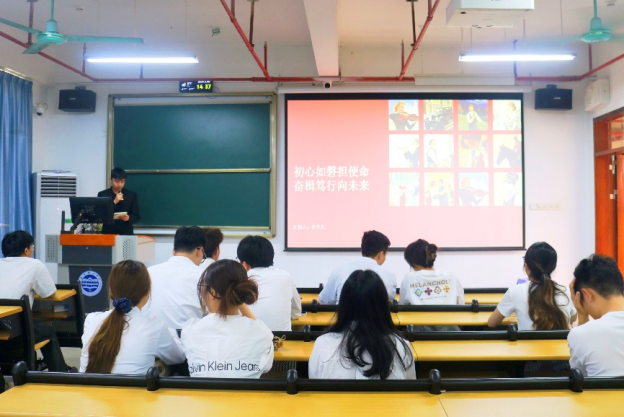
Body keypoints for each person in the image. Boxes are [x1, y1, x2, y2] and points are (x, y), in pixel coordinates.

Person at [80, 260, 185, 374]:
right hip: (137, 387)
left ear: (111, 291)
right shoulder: (155, 326)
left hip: (87, 386)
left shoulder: (91, 320)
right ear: (147, 293)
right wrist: (172, 332)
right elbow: (178, 357)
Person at [309, 270, 415, 379]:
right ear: (383, 306)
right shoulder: (402, 348)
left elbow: (313, 382)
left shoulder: (322, 344)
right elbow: (411, 387)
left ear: (343, 305)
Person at [181, 259, 274, 378]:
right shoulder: (261, 332)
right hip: (246, 391)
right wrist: (239, 301)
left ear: (213, 292)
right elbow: (266, 368)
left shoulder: (190, 329)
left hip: (201, 391)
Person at [0, 231, 74, 372]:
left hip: (2, 330)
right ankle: (60, 373)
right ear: (26, 250)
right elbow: (50, 293)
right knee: (48, 331)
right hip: (18, 335)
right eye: (32, 247)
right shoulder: (34, 264)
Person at [488, 242, 577, 330]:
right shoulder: (565, 291)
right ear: (553, 267)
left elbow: (492, 323)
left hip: (527, 340)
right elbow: (573, 318)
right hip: (562, 340)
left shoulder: (515, 292)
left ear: (526, 266)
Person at [567, 254, 624, 377]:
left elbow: (581, 378)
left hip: (605, 391)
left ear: (588, 295)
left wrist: (582, 314)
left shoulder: (580, 334)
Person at [143, 226, 206, 331]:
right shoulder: (204, 275)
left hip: (151, 336)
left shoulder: (148, 272)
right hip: (187, 338)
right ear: (200, 251)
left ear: (173, 251)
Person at [237, 236, 302, 331]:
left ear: (244, 264)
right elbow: (296, 312)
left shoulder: (238, 280)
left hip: (247, 338)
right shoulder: (285, 276)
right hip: (282, 339)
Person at [318, 231, 396, 304]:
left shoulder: (338, 271)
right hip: (376, 315)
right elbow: (389, 299)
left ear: (361, 251)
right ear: (381, 255)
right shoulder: (389, 276)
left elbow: (324, 300)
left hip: (345, 314)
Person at [400, 239, 464, 305]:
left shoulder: (409, 278)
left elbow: (402, 306)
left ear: (413, 262)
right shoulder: (451, 275)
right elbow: (461, 304)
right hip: (450, 312)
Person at [97, 167, 140, 235]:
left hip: (126, 232)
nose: (119, 184)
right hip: (109, 232)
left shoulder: (131, 195)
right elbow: (100, 215)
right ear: (111, 180)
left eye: (122, 181)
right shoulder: (103, 195)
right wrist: (114, 202)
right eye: (116, 181)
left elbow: (136, 215)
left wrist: (128, 218)